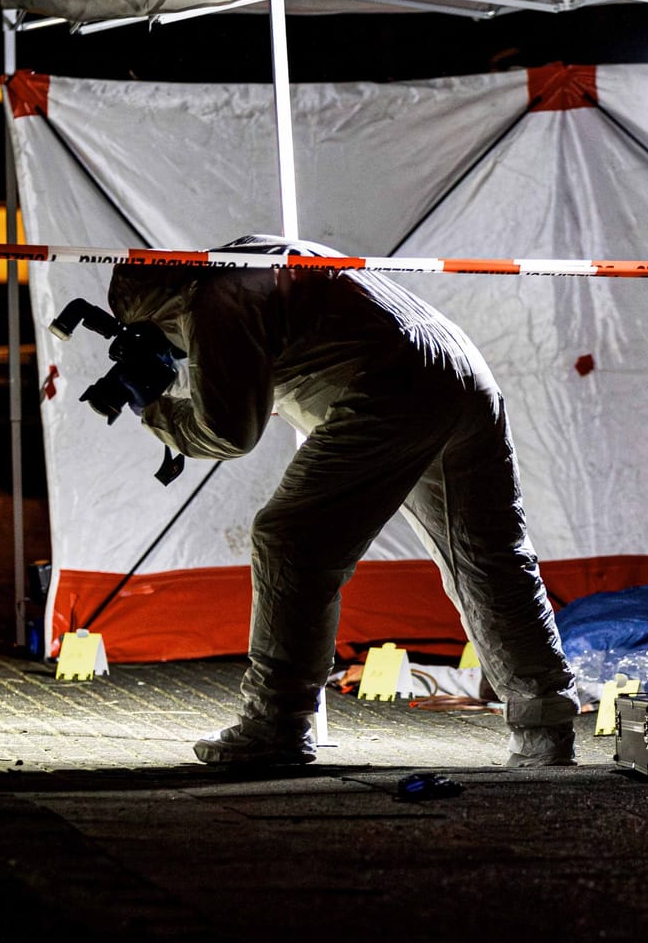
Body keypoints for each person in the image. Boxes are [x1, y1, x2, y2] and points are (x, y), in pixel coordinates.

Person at [103, 234, 579, 767]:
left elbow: (228, 433)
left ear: (154, 313)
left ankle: (276, 726)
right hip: (460, 367)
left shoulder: (210, 301)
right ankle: (547, 727)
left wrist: (154, 408)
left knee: (290, 539)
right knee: (491, 556)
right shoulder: (250, 260)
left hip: (390, 384)